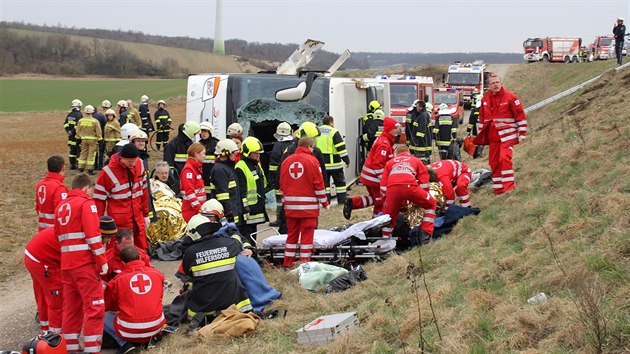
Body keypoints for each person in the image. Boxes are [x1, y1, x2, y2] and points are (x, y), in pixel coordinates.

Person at [55, 173, 107, 353]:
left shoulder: (61, 206)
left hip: (67, 266)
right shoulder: (86, 204)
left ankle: (71, 348)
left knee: (71, 308)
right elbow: (93, 236)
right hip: (84, 265)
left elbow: (58, 235)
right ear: (86, 188)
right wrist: (102, 261)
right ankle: (92, 349)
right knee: (95, 307)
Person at [199, 201, 281, 313]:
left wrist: (249, 250)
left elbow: (243, 240)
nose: (207, 220)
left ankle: (260, 297)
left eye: (210, 217)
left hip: (238, 258)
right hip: (223, 263)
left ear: (219, 217)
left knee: (245, 267)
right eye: (204, 217)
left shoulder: (229, 228)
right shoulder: (201, 231)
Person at [180, 214, 252, 330]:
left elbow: (187, 274)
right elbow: (238, 242)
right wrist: (234, 231)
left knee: (190, 286)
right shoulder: (228, 244)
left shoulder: (190, 253)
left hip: (204, 310)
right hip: (233, 306)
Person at [104, 246, 165, 353]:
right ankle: (151, 339)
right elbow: (159, 297)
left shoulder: (116, 281)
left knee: (102, 315)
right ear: (140, 257)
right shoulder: (157, 274)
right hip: (156, 327)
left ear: (122, 262)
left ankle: (124, 344)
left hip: (128, 332)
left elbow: (109, 306)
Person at [280, 136, 329, 267]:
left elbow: (282, 185)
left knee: (291, 237)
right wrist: (325, 203)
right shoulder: (313, 161)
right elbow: (318, 184)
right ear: (309, 147)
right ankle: (304, 264)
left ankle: (287, 263)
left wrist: (285, 202)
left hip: (290, 208)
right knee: (307, 238)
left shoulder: (286, 161)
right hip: (308, 209)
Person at [476, 74, 528, 195]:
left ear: (501, 83)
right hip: (492, 137)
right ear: (488, 86)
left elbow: (520, 115)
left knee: (504, 158)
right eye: (493, 83)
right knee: (494, 163)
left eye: (497, 82)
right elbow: (482, 119)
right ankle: (498, 189)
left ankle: (509, 188)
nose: (495, 84)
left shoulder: (511, 97)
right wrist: (480, 137)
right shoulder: (485, 99)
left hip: (507, 136)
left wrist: (522, 132)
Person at [94, 143, 151, 250]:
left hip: (137, 220)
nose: (133, 164)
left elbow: (144, 192)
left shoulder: (140, 164)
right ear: (121, 158)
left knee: (141, 251)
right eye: (129, 161)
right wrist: (99, 224)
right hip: (119, 223)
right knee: (117, 252)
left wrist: (146, 214)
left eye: (134, 161)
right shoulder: (107, 172)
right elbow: (99, 200)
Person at [343, 117, 400, 220]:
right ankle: (376, 224)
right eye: (395, 128)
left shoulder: (385, 140)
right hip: (373, 178)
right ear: (389, 129)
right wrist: (384, 180)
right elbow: (377, 164)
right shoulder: (384, 144)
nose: (397, 130)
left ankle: (353, 203)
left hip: (371, 177)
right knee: (380, 202)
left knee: (375, 198)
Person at [275, 122, 327, 234]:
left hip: (291, 199)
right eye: (313, 138)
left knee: (289, 229)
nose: (315, 141)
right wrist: (323, 196)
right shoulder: (314, 152)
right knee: (307, 230)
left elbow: (280, 173)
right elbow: (321, 175)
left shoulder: (289, 150)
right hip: (308, 199)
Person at [380, 146, 436, 244]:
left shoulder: (390, 163)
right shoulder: (416, 160)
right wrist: (423, 196)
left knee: (389, 216)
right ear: (408, 152)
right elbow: (424, 180)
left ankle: (385, 242)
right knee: (431, 204)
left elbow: (383, 188)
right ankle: (425, 237)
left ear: (396, 154)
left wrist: (392, 201)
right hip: (410, 187)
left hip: (392, 189)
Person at [24, 227, 62, 333]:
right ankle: (55, 336)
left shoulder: (73, 228)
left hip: (32, 256)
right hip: (43, 261)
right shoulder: (83, 237)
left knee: (43, 295)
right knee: (56, 298)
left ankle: (46, 327)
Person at [235, 137, 268, 241]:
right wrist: (245, 208)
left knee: (253, 235)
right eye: (255, 153)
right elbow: (241, 190)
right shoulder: (241, 166)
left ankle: (253, 254)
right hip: (247, 210)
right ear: (247, 152)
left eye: (259, 153)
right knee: (247, 236)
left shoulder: (255, 165)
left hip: (256, 208)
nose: (258, 155)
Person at [316, 116, 350, 205]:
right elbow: (341, 148)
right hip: (335, 164)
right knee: (340, 184)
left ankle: (326, 202)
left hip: (322, 165)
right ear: (331, 122)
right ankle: (342, 201)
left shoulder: (317, 131)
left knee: (325, 184)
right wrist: (346, 160)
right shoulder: (334, 132)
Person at [209, 139, 243, 224]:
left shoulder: (228, 168)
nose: (236, 154)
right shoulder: (220, 170)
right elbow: (222, 196)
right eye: (233, 152)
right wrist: (229, 214)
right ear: (225, 153)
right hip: (226, 218)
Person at [268, 122, 294, 226]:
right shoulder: (293, 145)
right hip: (292, 177)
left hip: (280, 178)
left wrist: (272, 178)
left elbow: (273, 165)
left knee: (279, 199)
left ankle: (279, 219)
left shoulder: (277, 145)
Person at [35, 155, 68, 231]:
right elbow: (62, 211)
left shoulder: (40, 184)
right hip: (55, 229)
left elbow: (37, 207)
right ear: (63, 168)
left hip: (42, 228)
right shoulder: (59, 188)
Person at [180, 142, 207, 222]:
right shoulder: (189, 170)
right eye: (203, 153)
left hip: (195, 210)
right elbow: (190, 192)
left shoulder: (195, 168)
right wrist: (199, 209)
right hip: (191, 211)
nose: (205, 156)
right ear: (196, 154)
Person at [75, 105, 102, 174]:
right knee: (91, 154)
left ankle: (80, 168)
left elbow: (78, 130)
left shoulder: (81, 121)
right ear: (92, 112)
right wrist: (100, 139)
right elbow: (98, 131)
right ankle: (90, 169)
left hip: (83, 139)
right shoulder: (95, 121)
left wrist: (78, 138)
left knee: (83, 153)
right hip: (92, 140)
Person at [406, 100, 433, 164]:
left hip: (421, 144)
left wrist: (416, 141)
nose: (416, 108)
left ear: (421, 107)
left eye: (417, 106)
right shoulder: (421, 115)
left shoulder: (423, 116)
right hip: (421, 143)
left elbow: (421, 131)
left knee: (421, 161)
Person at [199, 121, 220, 198]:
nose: (203, 134)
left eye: (205, 132)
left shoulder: (216, 144)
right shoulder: (198, 144)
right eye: (202, 132)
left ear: (210, 132)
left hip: (213, 173)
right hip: (202, 173)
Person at [64, 99, 83, 170]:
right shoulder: (79, 115)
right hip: (76, 136)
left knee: (72, 151)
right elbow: (78, 125)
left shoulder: (69, 114)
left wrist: (68, 131)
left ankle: (72, 164)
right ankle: (78, 164)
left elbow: (65, 124)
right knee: (78, 150)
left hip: (70, 137)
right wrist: (72, 131)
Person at [93, 106, 107, 170]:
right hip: (101, 135)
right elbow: (105, 124)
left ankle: (94, 165)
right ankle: (100, 166)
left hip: (92, 137)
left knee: (94, 152)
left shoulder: (87, 118)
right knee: (101, 151)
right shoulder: (101, 116)